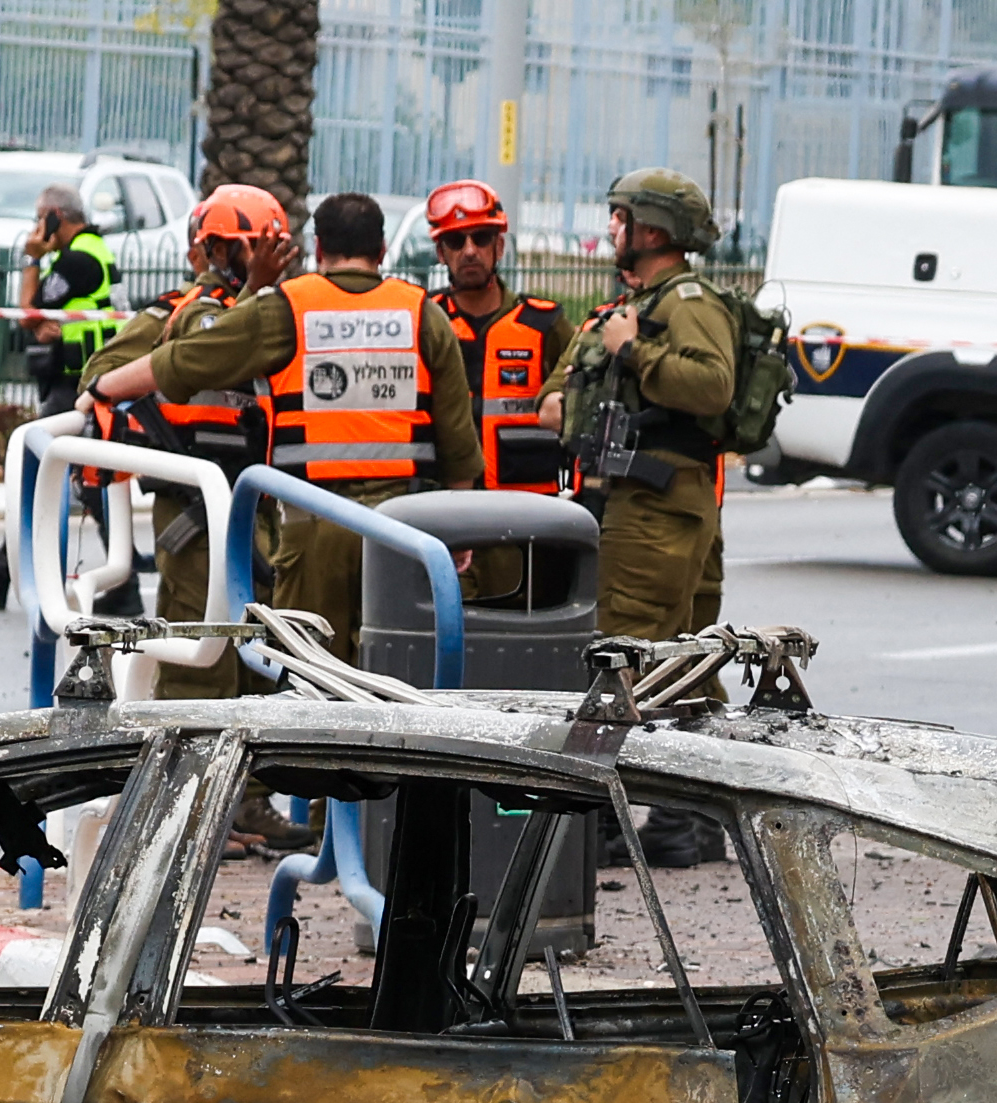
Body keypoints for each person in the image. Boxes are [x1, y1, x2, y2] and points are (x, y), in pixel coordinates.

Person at [559, 167, 740, 864]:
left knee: (621, 656)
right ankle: (691, 816)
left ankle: (603, 820)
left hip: (656, 502)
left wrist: (634, 349)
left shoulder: (685, 300)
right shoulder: (639, 302)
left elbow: (713, 384)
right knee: (686, 662)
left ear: (653, 230)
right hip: (658, 501)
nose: (611, 229)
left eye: (620, 217)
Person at [75, 182, 300, 695]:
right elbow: (197, 348)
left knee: (256, 656)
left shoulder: (271, 312)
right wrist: (110, 392)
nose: (268, 259)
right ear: (218, 250)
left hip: (251, 503)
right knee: (204, 661)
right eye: (253, 246)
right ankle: (184, 767)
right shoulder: (188, 311)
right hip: (193, 512)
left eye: (275, 246)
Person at [257, 192, 478, 659]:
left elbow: (188, 361)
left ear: (319, 249)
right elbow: (457, 438)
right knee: (394, 667)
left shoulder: (287, 307)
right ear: (382, 250)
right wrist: (456, 532)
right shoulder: (422, 313)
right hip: (401, 527)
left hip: (312, 522)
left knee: (309, 672)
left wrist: (101, 387)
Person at [0, 184, 121, 607]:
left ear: (56, 216)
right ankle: (4, 576)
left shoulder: (78, 259)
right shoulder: (88, 252)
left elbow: (27, 312)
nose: (36, 227)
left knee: (39, 474)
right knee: (79, 483)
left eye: (41, 217)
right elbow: (39, 316)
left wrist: (30, 260)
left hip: (76, 385)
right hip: (79, 383)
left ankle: (0, 578)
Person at [424, 178, 570, 500]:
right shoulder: (424, 320)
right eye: (455, 241)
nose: (470, 251)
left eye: (481, 237)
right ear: (440, 252)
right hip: (442, 506)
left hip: (524, 514)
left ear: (499, 247)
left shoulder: (545, 324)